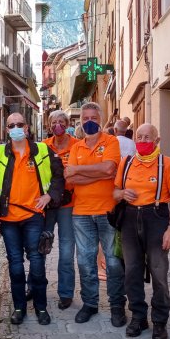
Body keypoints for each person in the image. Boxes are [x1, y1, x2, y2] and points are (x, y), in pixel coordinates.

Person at [0, 113, 64, 326]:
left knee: (37, 263)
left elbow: (58, 177)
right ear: (7, 129)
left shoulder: (43, 151)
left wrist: (49, 196)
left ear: (27, 128)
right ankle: (19, 307)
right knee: (15, 265)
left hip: (34, 216)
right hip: (8, 219)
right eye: (12, 125)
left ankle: (41, 307)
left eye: (20, 124)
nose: (16, 128)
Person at [113, 123, 170, 339]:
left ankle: (160, 322)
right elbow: (114, 193)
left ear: (157, 140)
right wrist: (122, 193)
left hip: (156, 217)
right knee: (132, 271)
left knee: (159, 272)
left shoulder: (167, 165)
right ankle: (139, 317)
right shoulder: (127, 163)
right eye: (139, 137)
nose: (142, 141)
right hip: (130, 220)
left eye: (147, 138)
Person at [65, 102, 126, 326]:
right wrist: (98, 173)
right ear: (80, 121)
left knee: (113, 262)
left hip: (107, 211)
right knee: (85, 261)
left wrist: (80, 170)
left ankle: (117, 305)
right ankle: (90, 303)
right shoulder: (76, 147)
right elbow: (69, 179)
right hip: (81, 213)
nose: (89, 121)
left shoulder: (111, 142)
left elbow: (110, 169)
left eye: (94, 117)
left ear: (101, 120)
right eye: (85, 118)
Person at [42, 110, 79, 310]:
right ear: (49, 126)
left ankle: (65, 292)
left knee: (66, 250)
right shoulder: (43, 147)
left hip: (68, 204)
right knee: (41, 245)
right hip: (48, 203)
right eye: (54, 122)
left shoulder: (77, 145)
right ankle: (36, 286)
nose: (58, 125)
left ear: (67, 124)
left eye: (61, 122)